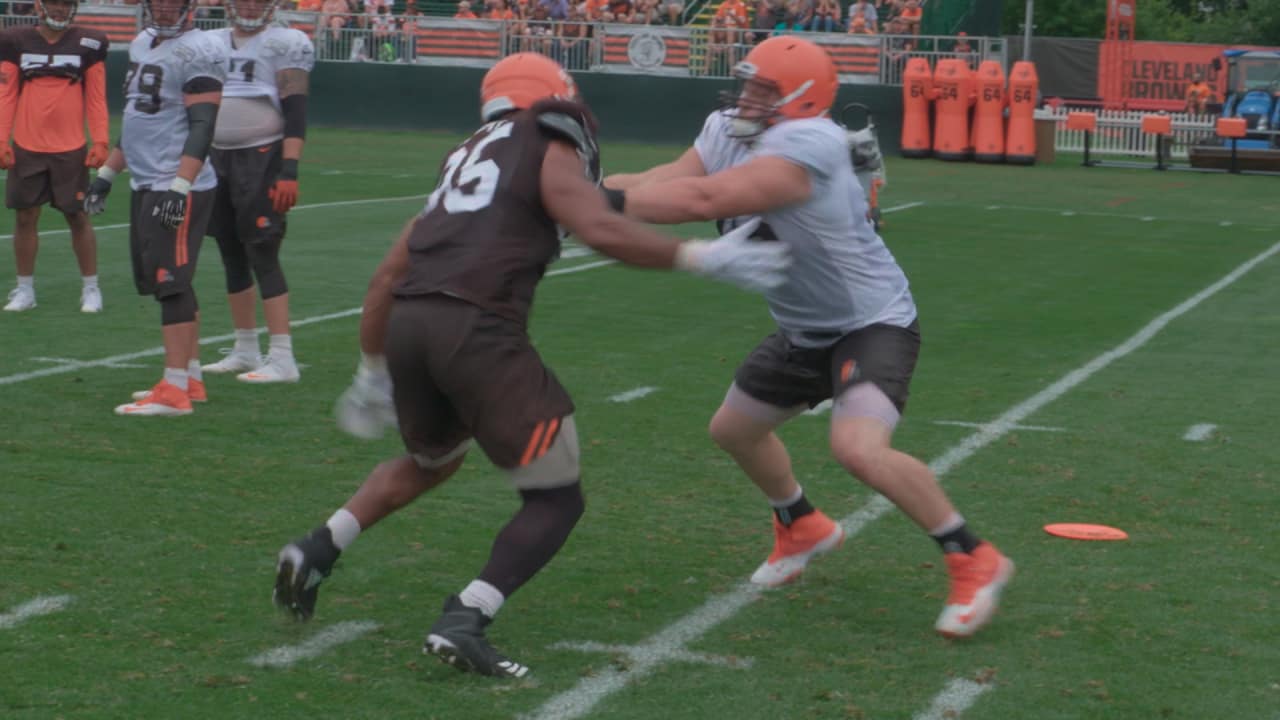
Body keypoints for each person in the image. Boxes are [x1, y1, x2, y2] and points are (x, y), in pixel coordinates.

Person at [271, 53, 790, 677]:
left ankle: (319, 547)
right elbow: (597, 224)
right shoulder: (547, 137)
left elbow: (387, 275)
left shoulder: (463, 158)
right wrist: (699, 258)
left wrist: (373, 371)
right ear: (554, 97)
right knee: (556, 497)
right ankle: (467, 615)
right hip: (477, 327)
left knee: (432, 461)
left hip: (412, 323)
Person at [601, 36, 1013, 639]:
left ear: (800, 99)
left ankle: (973, 556)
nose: (746, 97)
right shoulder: (728, 128)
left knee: (857, 448)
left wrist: (599, 202)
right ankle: (800, 524)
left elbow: (704, 198)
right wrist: (579, 189)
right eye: (747, 83)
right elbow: (666, 176)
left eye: (763, 89)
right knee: (734, 430)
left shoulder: (810, 143)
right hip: (805, 329)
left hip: (870, 321)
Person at [83, 0, 226, 415]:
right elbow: (138, 118)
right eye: (158, 1)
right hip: (148, 180)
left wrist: (180, 186)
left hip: (176, 182)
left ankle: (174, 391)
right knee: (170, 279)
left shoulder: (201, 48)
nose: (164, 8)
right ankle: (191, 378)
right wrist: (107, 176)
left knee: (171, 281)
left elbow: (203, 124)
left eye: (173, 2)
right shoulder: (143, 43)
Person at [200, 0, 314, 383]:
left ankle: (283, 357)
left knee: (262, 251)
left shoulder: (286, 41)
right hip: (217, 157)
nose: (250, 5)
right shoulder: (210, 40)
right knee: (231, 252)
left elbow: (296, 108)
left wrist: (290, 168)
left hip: (263, 156)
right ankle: (245, 348)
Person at [0, 0, 109, 313]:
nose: (60, 9)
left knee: (77, 215)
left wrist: (100, 139)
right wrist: (1, 138)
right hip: (27, 143)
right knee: (24, 216)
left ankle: (91, 288)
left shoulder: (89, 43)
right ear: (39, 6)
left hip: (70, 147)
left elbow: (97, 97)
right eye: (54, 3)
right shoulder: (15, 40)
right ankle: (24, 290)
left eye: (66, 4)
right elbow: (5, 94)